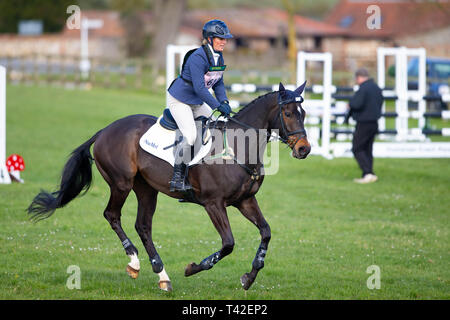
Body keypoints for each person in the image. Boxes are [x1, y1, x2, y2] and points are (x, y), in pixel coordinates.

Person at [166, 19, 233, 192]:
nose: (224, 41)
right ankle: (177, 179)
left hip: (196, 101)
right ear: (209, 39)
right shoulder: (198, 57)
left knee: (213, 127)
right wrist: (217, 105)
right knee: (190, 136)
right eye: (220, 38)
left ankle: (202, 170)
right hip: (180, 100)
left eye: (225, 38)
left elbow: (218, 83)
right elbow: (200, 88)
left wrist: (224, 101)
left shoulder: (218, 56)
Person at [346, 68, 383, 184]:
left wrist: (350, 104)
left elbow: (357, 103)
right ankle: (369, 173)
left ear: (359, 77)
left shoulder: (363, 88)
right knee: (368, 148)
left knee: (357, 148)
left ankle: (368, 173)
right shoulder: (377, 88)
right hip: (374, 122)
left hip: (363, 122)